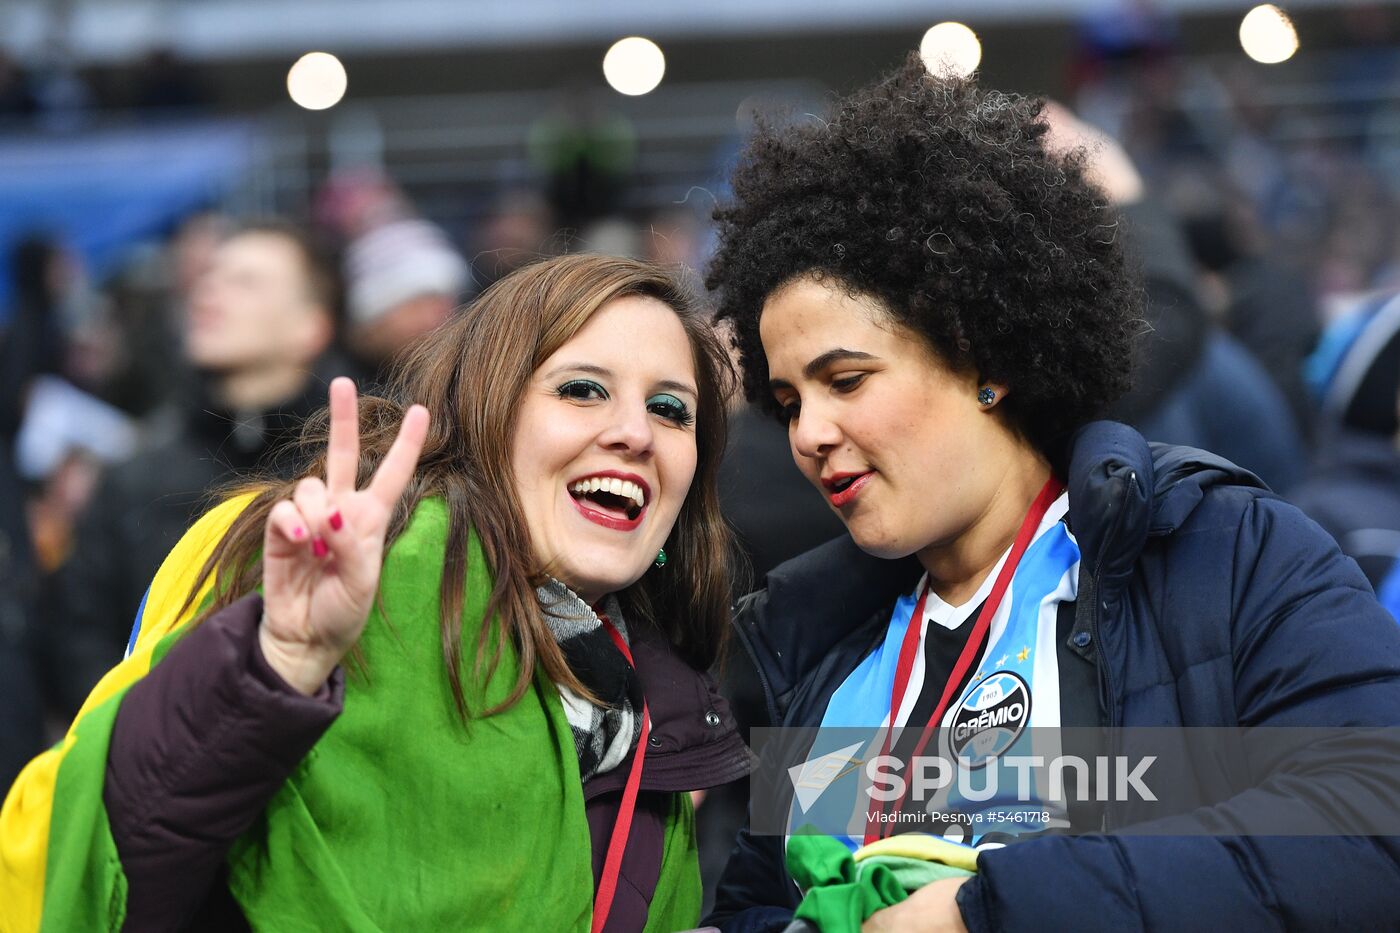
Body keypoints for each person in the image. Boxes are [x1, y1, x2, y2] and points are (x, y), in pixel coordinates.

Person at [701, 59, 1400, 932]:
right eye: (790, 400)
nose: (808, 434)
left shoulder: (1223, 549)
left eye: (847, 380)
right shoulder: (823, 649)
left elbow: (1372, 826)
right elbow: (755, 907)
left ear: (984, 361)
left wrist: (988, 911)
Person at [2, 253, 750, 931]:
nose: (635, 432)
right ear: (490, 406)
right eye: (582, 389)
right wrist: (277, 664)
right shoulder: (320, 559)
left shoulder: (691, 684)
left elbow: (779, 881)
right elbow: (114, 859)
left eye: (671, 408)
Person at [46, 220, 352, 713]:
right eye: (210, 277)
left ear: (310, 327)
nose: (209, 293)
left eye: (246, 282)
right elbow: (80, 636)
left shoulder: (357, 468)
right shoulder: (136, 471)